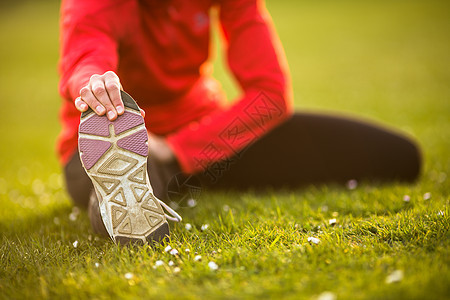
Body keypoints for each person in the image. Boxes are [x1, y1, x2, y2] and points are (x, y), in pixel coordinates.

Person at [58, 0, 421, 243]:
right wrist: (95, 82)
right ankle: (116, 195)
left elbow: (270, 94)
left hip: (201, 135)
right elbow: (86, 49)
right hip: (115, 132)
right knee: (136, 166)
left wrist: (174, 147)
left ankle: (149, 177)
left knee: (398, 155)